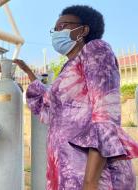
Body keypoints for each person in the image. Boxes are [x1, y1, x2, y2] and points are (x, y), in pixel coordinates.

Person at [14, 5, 138, 190]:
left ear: (83, 30)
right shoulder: (68, 67)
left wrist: (90, 182)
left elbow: (105, 116)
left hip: (91, 174)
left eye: (62, 26)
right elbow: (48, 104)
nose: (56, 33)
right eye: (54, 29)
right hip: (67, 171)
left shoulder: (96, 49)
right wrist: (27, 72)